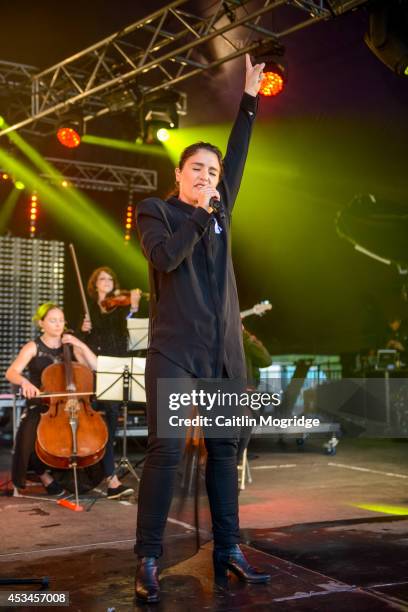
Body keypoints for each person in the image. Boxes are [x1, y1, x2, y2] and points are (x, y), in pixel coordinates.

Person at [134, 54, 270, 604]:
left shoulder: (221, 212)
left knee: (222, 450)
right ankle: (146, 557)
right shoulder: (157, 212)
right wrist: (197, 213)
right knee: (166, 451)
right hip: (174, 352)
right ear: (179, 175)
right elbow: (166, 261)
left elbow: (238, 154)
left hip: (222, 355)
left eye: (213, 172)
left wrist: (250, 100)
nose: (209, 177)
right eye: (198, 169)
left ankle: (229, 550)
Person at [6, 303, 97, 496]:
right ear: (42, 323)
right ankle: (43, 475)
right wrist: (25, 383)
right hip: (41, 404)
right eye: (52, 320)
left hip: (68, 404)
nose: (58, 325)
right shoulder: (33, 346)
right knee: (29, 434)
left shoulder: (71, 347)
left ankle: (75, 475)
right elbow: (11, 372)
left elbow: (94, 366)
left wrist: (79, 343)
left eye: (61, 320)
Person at [80, 266, 143, 499]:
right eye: (102, 279)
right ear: (95, 284)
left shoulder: (119, 308)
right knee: (92, 424)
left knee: (110, 424)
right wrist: (83, 329)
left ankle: (111, 479)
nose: (107, 282)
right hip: (92, 370)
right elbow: (81, 340)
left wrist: (134, 307)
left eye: (110, 279)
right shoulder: (88, 309)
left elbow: (129, 329)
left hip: (116, 365)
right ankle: (93, 471)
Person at [237, 326, 272, 464]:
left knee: (246, 421)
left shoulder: (245, 342)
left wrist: (245, 335)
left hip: (245, 393)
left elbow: (266, 360)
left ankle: (235, 460)